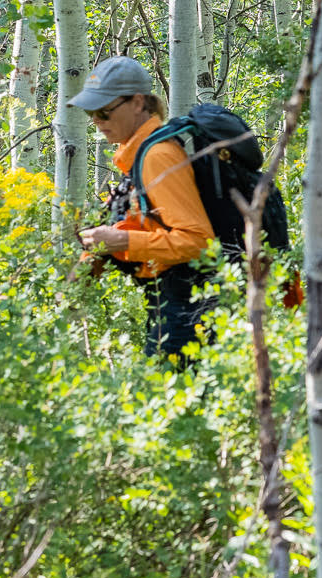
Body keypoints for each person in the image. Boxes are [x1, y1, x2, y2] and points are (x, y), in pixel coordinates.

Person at [70, 56, 217, 361]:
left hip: (187, 308)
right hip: (173, 304)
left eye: (104, 112)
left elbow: (198, 241)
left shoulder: (157, 156)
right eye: (91, 113)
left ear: (138, 103)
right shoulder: (138, 156)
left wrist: (122, 242)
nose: (96, 121)